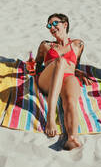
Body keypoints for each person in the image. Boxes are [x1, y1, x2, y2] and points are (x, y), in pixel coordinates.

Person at [32, 13, 93, 150]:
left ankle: (72, 137)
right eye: (49, 25)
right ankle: (50, 117)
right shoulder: (45, 45)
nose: (51, 27)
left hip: (67, 78)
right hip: (48, 80)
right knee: (60, 61)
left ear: (65, 24)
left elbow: (74, 66)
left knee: (70, 100)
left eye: (55, 23)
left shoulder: (78, 44)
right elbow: (37, 64)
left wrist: (79, 72)